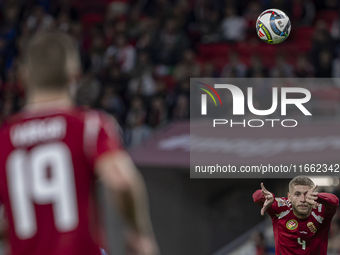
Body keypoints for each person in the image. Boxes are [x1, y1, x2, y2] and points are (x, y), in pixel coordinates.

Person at [0, 31, 159, 255]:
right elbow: (122, 182)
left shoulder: (4, 139)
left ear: (23, 77)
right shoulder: (89, 126)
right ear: (75, 74)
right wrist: (139, 233)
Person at [253, 176, 339, 254]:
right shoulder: (281, 208)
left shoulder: (321, 210)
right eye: (297, 194)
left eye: (307, 194)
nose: (303, 199)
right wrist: (269, 196)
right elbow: (256, 196)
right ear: (289, 197)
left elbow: (335, 201)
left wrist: (317, 196)